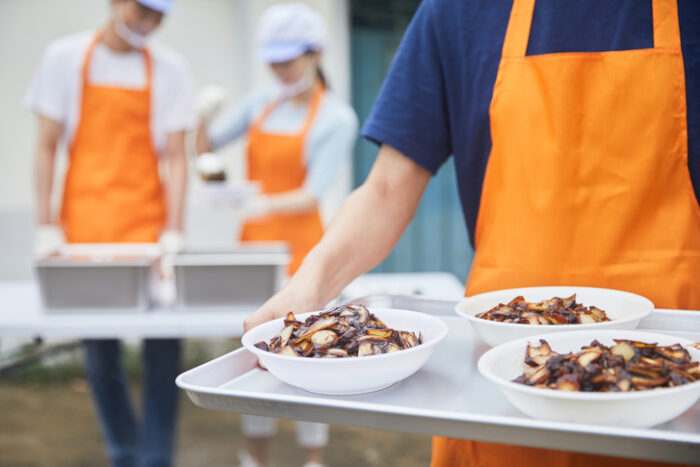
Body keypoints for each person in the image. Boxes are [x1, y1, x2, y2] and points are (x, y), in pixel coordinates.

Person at [243, 0, 700, 466]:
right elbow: (385, 188)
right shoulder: (458, 12)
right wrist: (308, 289)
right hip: (504, 377)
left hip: (677, 380)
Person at [25, 0, 194, 465]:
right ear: (116, 3)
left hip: (147, 227)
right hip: (86, 231)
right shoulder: (64, 58)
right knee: (100, 354)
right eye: (142, 11)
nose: (149, 24)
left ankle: (157, 458)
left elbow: (177, 156)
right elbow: (46, 147)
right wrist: (46, 225)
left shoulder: (170, 69)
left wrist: (174, 232)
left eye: (158, 17)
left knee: (164, 349)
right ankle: (124, 454)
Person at [196, 4, 358, 467]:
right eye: (274, 60)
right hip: (253, 250)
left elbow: (311, 195)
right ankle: (256, 457)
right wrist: (201, 117)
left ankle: (311, 458)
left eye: (289, 59)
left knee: (307, 355)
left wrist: (259, 201)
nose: (280, 69)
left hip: (304, 253)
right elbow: (204, 150)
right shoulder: (258, 103)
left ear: (315, 54)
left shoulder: (336, 118)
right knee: (252, 355)